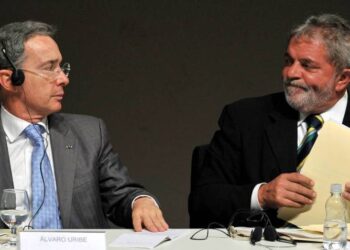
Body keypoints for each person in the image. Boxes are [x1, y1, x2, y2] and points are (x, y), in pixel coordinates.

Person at [0, 20, 168, 231]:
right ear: (9, 79)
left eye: (62, 67)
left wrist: (141, 202)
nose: (63, 79)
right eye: (49, 68)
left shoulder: (89, 134)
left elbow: (121, 195)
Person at [188, 13, 350, 228]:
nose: (291, 73)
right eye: (288, 61)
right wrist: (262, 194)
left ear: (342, 79)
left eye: (307, 65)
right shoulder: (245, 118)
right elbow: (202, 201)